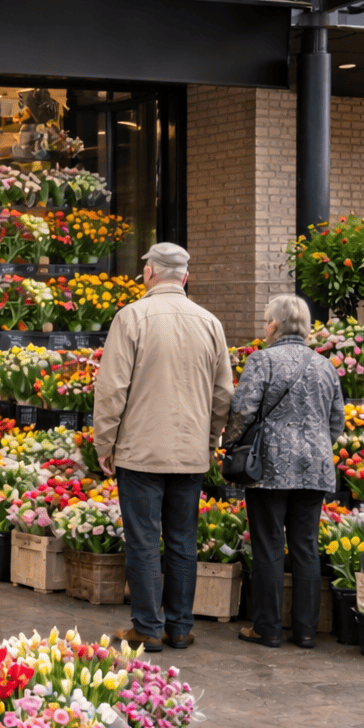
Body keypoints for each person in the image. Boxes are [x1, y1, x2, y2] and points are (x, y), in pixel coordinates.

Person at [92, 242, 233, 653]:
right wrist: (210, 440)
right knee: (183, 541)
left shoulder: (132, 317)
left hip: (140, 450)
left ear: (149, 273)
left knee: (142, 540)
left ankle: (148, 628)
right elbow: (223, 393)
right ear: (185, 277)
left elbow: (112, 387)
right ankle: (180, 626)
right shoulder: (210, 322)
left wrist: (105, 442)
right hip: (190, 452)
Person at [223, 294, 344, 649]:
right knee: (306, 546)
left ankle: (268, 627)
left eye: (266, 320)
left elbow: (243, 411)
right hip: (316, 466)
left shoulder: (263, 360)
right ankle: (306, 631)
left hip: (270, 468)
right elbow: (336, 420)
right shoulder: (325, 366)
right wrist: (316, 444)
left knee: (269, 545)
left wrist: (229, 443)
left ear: (273, 325)